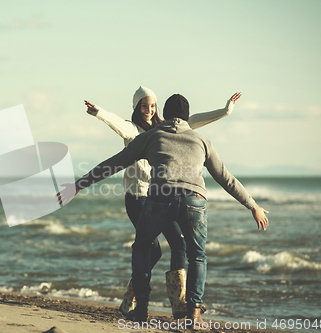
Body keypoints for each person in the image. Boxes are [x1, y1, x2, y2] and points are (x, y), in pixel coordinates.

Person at [57, 93, 269, 330]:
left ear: (164, 114)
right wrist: (253, 205)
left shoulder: (150, 136)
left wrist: (79, 185)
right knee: (197, 255)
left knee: (142, 248)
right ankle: (193, 314)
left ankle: (142, 310)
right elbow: (226, 178)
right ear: (188, 116)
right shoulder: (202, 141)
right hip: (194, 200)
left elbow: (114, 162)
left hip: (160, 198)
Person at [84, 86, 242, 318]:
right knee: (153, 250)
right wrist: (99, 112)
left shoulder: (162, 129)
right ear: (137, 107)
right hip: (138, 198)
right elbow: (117, 123)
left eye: (153, 106)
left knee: (179, 244)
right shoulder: (132, 129)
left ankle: (178, 303)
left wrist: (225, 111)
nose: (149, 110)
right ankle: (133, 296)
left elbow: (190, 120)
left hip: (159, 198)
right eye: (144, 106)